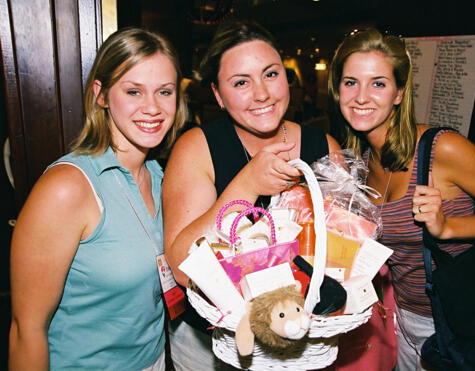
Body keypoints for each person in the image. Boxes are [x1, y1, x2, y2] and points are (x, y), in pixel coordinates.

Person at [328, 27, 475, 370]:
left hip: (462, 324)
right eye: (351, 82)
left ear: (398, 93)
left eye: (378, 83)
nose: (361, 96)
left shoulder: (442, 149)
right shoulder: (362, 164)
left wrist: (448, 228)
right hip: (403, 322)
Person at [163, 19, 341, 370]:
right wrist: (247, 185)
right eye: (241, 82)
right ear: (217, 94)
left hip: (303, 340)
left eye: (271, 74)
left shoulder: (324, 148)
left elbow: (346, 254)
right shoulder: (198, 147)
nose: (261, 93)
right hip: (216, 345)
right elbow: (183, 267)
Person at [9, 27, 187, 370]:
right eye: (133, 91)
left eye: (164, 91)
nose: (152, 108)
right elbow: (26, 331)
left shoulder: (165, 178)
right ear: (101, 95)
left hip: (153, 361)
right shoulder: (67, 188)